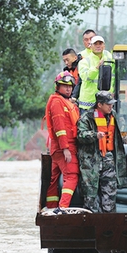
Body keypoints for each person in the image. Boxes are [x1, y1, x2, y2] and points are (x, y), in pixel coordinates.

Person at [77, 91, 125, 213]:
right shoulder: (87, 117)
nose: (111, 106)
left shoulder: (113, 115)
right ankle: (90, 226)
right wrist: (94, 135)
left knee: (109, 195)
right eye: (108, 104)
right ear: (99, 104)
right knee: (90, 196)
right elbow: (80, 135)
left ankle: (109, 226)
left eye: (112, 104)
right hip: (91, 161)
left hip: (108, 159)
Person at [43, 72, 81, 210]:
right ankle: (63, 208)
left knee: (54, 180)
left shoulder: (64, 102)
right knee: (71, 176)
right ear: (58, 87)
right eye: (65, 86)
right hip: (65, 147)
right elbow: (60, 127)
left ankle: (52, 207)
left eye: (70, 86)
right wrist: (65, 148)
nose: (68, 89)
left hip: (57, 148)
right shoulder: (57, 102)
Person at [77, 34, 113, 110]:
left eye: (100, 43)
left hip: (106, 102)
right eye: (95, 44)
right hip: (88, 103)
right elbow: (86, 77)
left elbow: (115, 76)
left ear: (104, 46)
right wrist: (97, 67)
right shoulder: (84, 62)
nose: (98, 46)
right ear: (91, 46)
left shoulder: (110, 59)